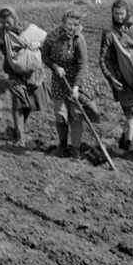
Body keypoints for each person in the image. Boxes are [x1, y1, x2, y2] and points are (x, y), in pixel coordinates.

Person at [42, 8, 97, 159]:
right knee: (60, 114)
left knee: (76, 115)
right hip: (59, 80)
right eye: (69, 24)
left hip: (76, 79)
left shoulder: (79, 40)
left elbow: (83, 65)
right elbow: (45, 56)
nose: (71, 27)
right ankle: (62, 145)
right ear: (63, 23)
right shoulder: (52, 37)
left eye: (75, 24)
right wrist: (55, 67)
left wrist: (76, 88)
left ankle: (76, 149)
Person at [0, 7, 46, 147]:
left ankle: (17, 131)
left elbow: (47, 43)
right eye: (2, 23)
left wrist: (38, 45)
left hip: (33, 72)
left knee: (30, 103)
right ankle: (20, 136)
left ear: (15, 18)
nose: (5, 25)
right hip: (12, 72)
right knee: (18, 102)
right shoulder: (0, 34)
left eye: (8, 22)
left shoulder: (30, 30)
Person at [99, 0, 133, 155]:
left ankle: (125, 138)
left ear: (127, 13)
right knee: (131, 110)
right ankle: (129, 143)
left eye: (122, 13)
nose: (119, 17)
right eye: (116, 14)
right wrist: (112, 78)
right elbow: (103, 59)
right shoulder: (109, 33)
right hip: (122, 77)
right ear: (112, 15)